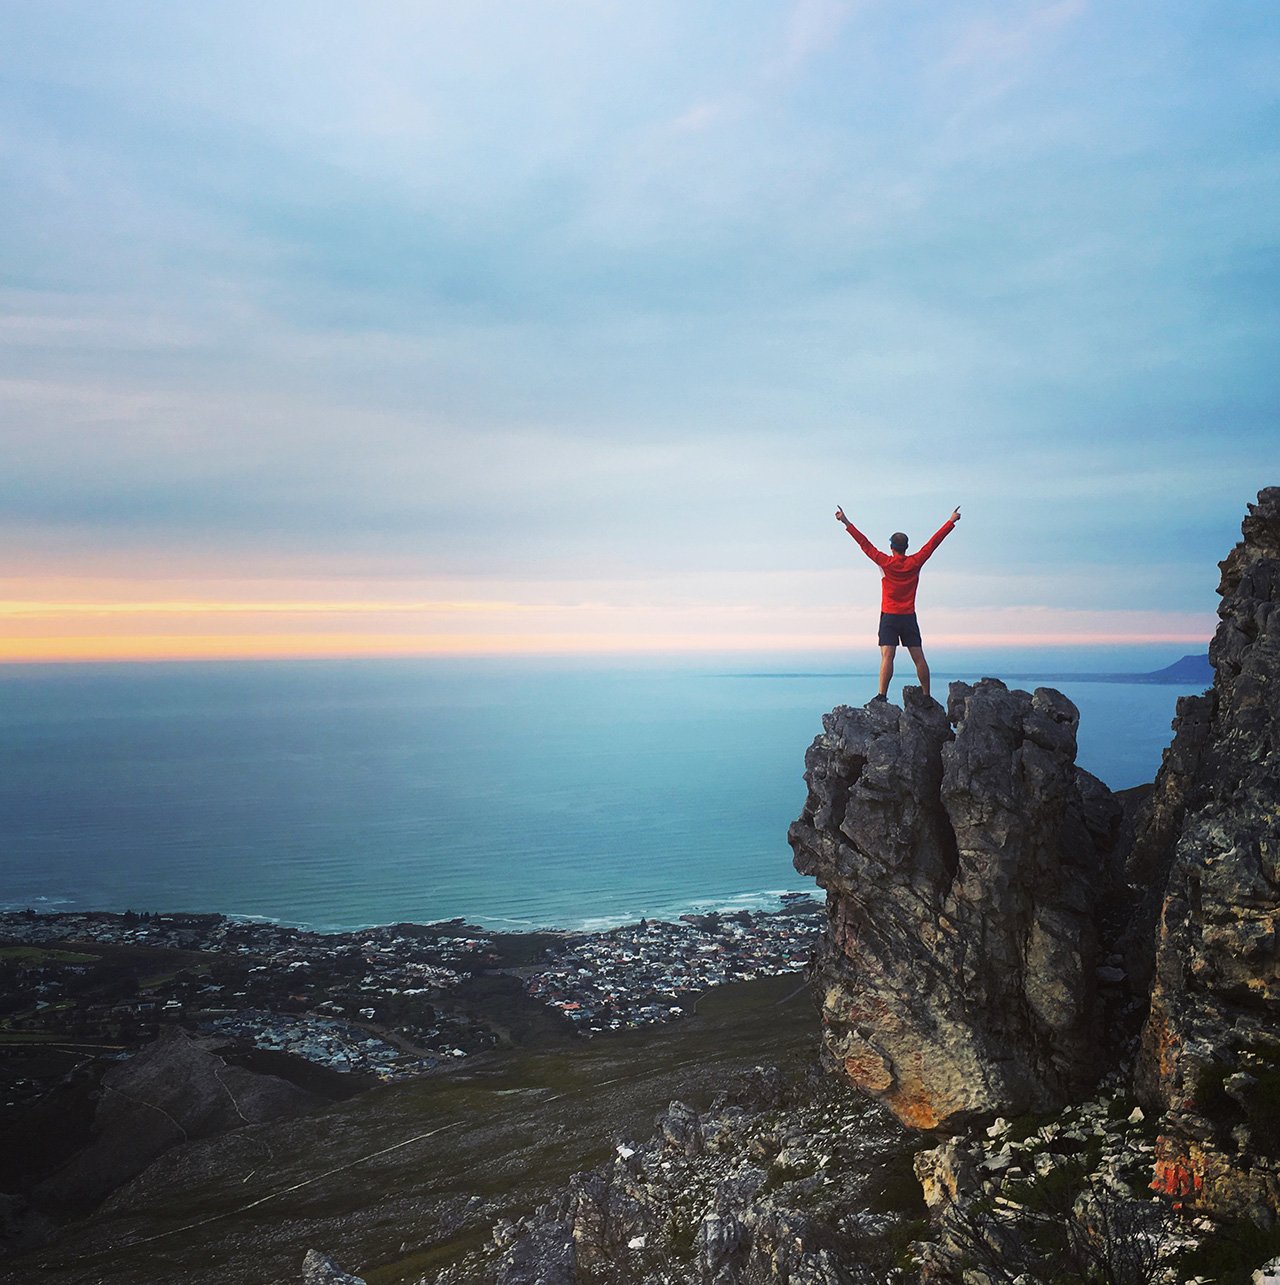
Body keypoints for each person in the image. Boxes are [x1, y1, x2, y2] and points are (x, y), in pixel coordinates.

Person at [834, 504, 961, 701]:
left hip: (890, 616)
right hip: (908, 616)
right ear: (906, 547)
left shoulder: (884, 562)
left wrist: (846, 521)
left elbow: (864, 543)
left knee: (887, 656)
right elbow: (933, 543)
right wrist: (951, 521)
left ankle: (882, 696)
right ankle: (927, 695)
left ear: (891, 547)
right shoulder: (916, 562)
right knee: (918, 657)